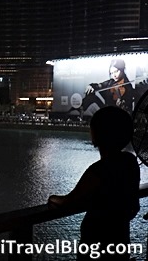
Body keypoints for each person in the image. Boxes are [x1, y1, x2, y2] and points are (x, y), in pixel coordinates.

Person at [48, 106, 140, 260]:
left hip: (95, 245)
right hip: (120, 243)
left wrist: (52, 199)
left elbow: (67, 202)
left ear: (98, 133)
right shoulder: (130, 162)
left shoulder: (99, 170)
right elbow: (132, 207)